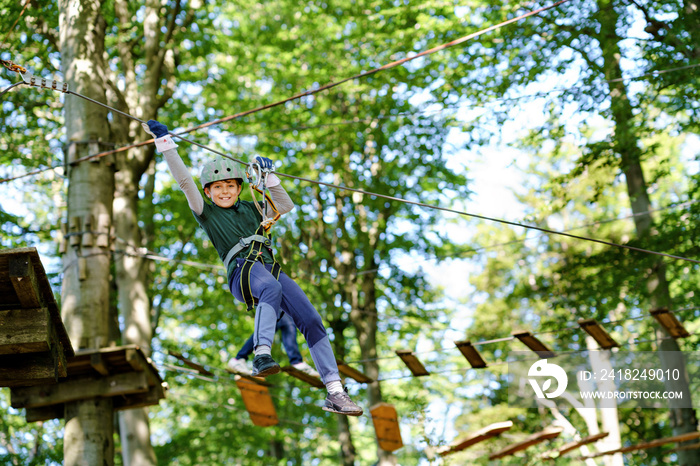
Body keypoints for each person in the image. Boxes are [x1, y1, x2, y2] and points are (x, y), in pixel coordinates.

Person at [143, 120, 362, 416]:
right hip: (241, 273)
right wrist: (165, 142)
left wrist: (270, 179)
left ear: (238, 188)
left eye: (229, 186)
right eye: (217, 187)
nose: (224, 192)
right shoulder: (204, 212)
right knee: (270, 288)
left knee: (311, 320)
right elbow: (184, 181)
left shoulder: (252, 209)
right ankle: (261, 354)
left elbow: (284, 206)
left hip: (269, 269)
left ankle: (335, 391)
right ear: (208, 192)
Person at [228, 312, 320, 378]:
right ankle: (297, 362)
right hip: (270, 296)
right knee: (283, 322)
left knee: (282, 322)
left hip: (276, 299)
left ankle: (239, 358)